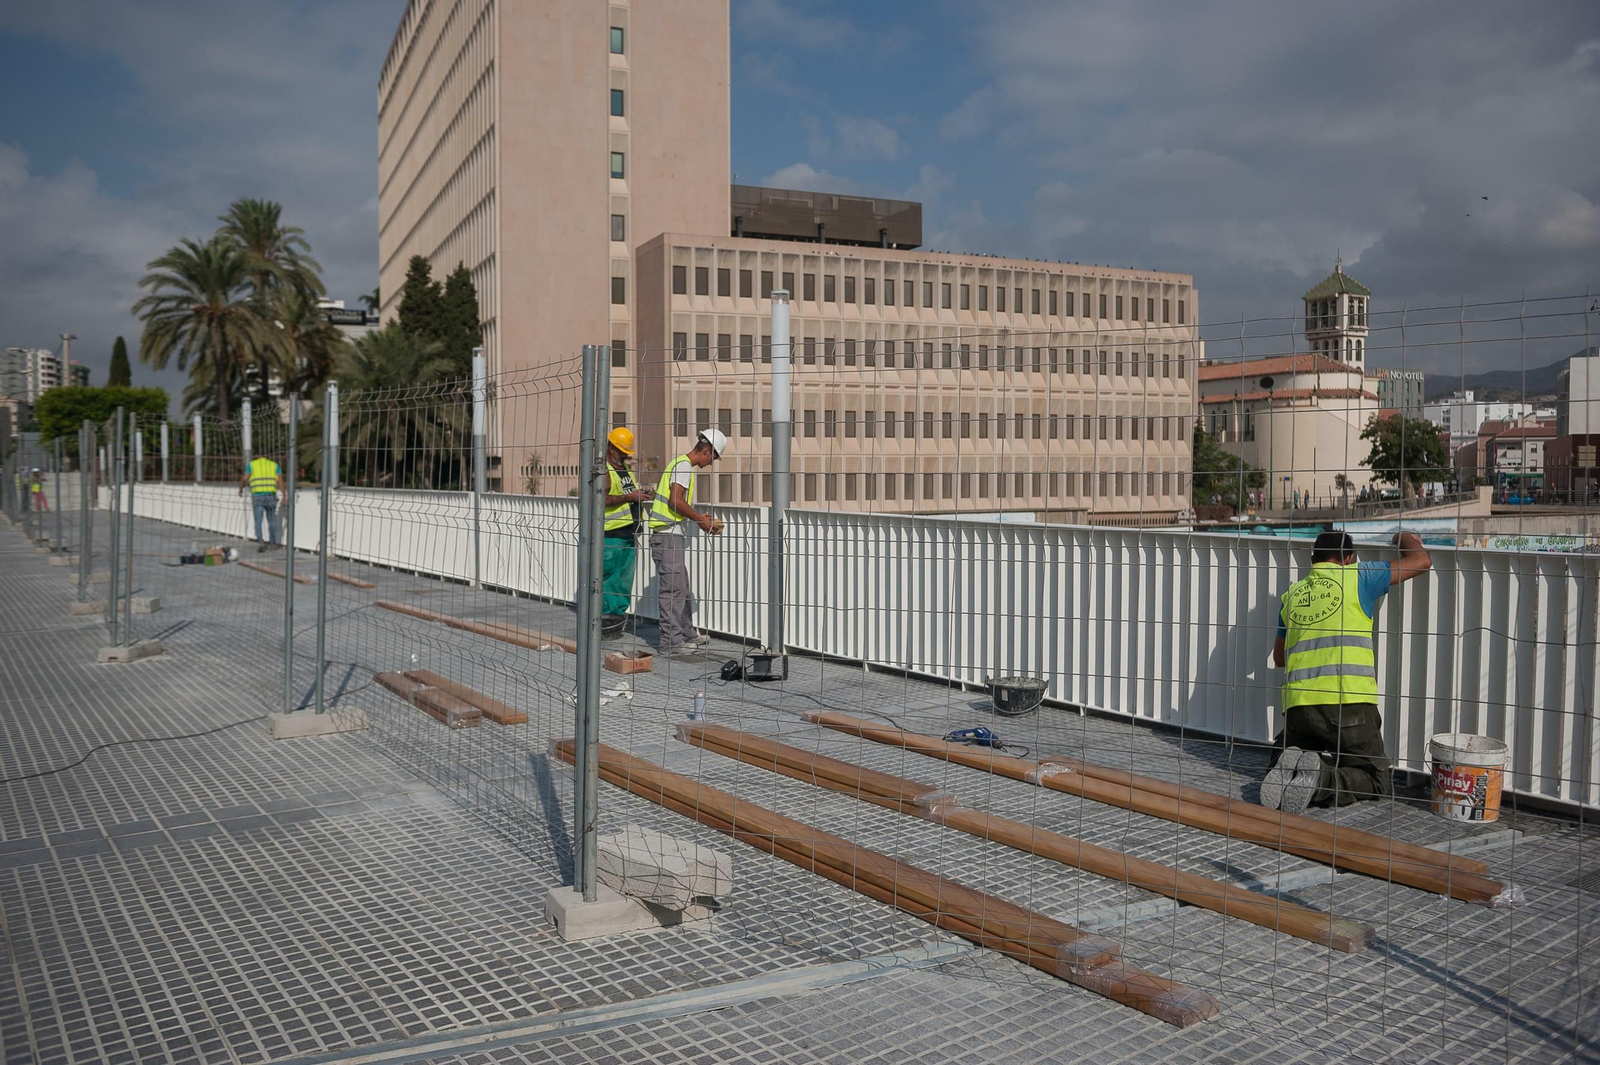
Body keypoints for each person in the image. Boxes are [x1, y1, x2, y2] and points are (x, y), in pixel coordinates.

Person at [1262, 530, 1431, 813]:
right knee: (1376, 779)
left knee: (1291, 759)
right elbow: (1421, 561)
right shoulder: (1359, 576)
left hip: (1298, 711)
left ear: (1313, 559)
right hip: (1348, 705)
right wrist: (1403, 536)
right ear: (1350, 558)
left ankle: (1287, 765)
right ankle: (1320, 781)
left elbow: (1279, 658)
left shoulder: (1291, 596)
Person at [648, 429, 725, 655]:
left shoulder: (680, 464)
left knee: (681, 586)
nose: (711, 463)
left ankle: (686, 633)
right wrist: (700, 519)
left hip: (669, 535)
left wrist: (698, 518)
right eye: (714, 457)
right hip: (667, 535)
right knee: (673, 589)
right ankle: (670, 642)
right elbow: (675, 501)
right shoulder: (682, 467)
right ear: (706, 450)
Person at [600, 426, 653, 637]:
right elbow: (601, 500)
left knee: (622, 583)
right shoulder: (605, 470)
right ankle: (604, 626)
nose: (625, 456)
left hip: (628, 534)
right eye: (622, 452)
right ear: (611, 447)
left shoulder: (625, 471)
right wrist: (629, 498)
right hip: (611, 536)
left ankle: (616, 624)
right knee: (609, 581)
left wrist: (641, 494)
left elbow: (628, 494)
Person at [239, 452, 286, 551]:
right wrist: (284, 495)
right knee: (272, 520)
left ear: (257, 455)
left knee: (258, 521)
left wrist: (241, 488)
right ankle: (273, 543)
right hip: (271, 496)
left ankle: (260, 542)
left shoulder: (252, 465)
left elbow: (244, 478)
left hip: (257, 496)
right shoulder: (274, 465)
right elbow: (280, 481)